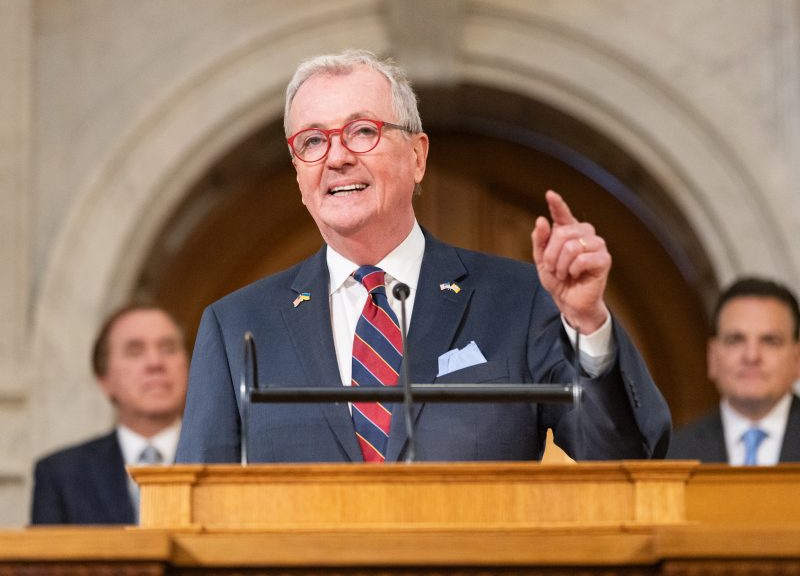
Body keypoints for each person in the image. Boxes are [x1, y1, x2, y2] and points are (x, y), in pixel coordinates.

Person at [176, 49, 670, 465]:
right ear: (298, 176)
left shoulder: (518, 301)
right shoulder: (237, 325)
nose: (337, 156)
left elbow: (625, 458)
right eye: (312, 141)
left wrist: (586, 323)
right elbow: (193, 508)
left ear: (417, 156)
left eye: (362, 131)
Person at [31, 304, 189, 524]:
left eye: (168, 348)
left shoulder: (228, 463)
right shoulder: (62, 474)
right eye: (135, 351)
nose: (155, 363)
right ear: (104, 379)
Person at [668, 277, 800, 465]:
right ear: (712, 357)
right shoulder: (672, 455)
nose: (752, 356)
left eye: (770, 341)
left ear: (797, 359)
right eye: (735, 340)